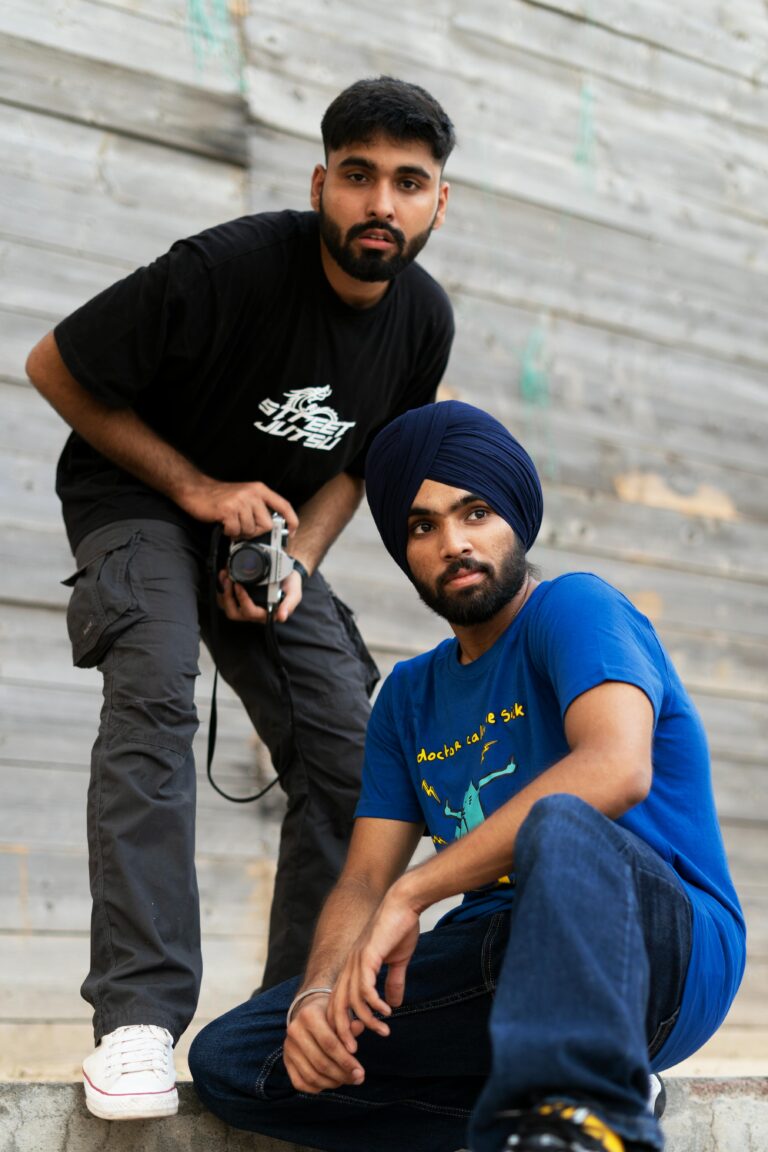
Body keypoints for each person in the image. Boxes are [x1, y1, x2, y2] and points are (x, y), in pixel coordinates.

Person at [24, 76, 456, 1120]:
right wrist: (198, 491)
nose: (380, 205)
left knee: (355, 750)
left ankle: (288, 1022)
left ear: (442, 202)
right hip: (139, 497)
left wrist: (295, 555)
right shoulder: (224, 271)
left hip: (261, 530)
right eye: (358, 177)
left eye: (409, 183)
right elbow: (54, 368)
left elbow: (367, 458)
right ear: (321, 183)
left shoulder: (420, 322)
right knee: (159, 690)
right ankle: (137, 1019)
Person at [189, 400, 746, 1152]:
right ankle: (547, 1111)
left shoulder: (574, 609)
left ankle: (585, 1104)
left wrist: (416, 892)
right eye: (421, 526)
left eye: (475, 512)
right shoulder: (408, 697)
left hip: (658, 947)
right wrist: (317, 997)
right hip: (500, 954)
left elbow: (616, 770)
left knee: (560, 821)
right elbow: (362, 882)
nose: (453, 542)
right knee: (238, 1059)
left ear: (514, 515)